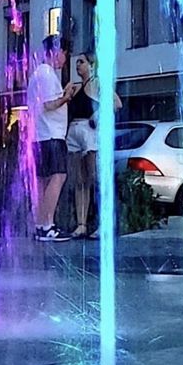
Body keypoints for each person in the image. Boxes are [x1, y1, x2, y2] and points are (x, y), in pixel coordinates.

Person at [67, 52, 122, 239]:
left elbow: (117, 103)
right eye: (77, 62)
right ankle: (81, 224)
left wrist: (97, 115)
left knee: (95, 177)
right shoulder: (76, 87)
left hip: (89, 131)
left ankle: (104, 223)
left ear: (91, 65)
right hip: (74, 131)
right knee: (79, 180)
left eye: (82, 62)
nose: (78, 66)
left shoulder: (97, 83)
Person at [27, 35, 74, 241]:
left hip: (41, 135)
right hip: (51, 134)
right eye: (65, 53)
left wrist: (63, 95)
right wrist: (66, 97)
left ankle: (41, 225)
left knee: (44, 180)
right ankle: (46, 224)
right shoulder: (46, 73)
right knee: (58, 176)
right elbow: (48, 105)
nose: (65, 59)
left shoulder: (38, 74)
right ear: (57, 51)